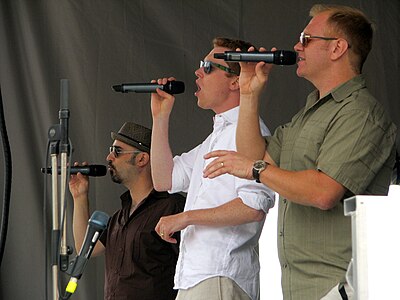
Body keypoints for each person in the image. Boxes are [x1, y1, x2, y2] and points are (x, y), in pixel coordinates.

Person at [203, 4, 397, 300]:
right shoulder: (308, 113)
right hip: (301, 288)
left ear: (338, 49)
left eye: (307, 39)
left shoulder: (360, 113)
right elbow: (257, 156)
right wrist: (248, 93)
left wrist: (258, 171)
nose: (297, 46)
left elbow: (323, 192)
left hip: (340, 287)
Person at [149, 37, 275, 300]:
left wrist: (186, 217)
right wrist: (160, 117)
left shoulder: (249, 135)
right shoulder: (217, 137)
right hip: (197, 276)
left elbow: (253, 207)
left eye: (207, 67)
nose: (198, 72)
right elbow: (164, 179)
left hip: (220, 275)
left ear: (234, 81)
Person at [69, 122, 185, 300]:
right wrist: (79, 197)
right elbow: (85, 249)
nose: (109, 157)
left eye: (117, 151)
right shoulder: (119, 217)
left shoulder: (172, 206)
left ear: (142, 159)